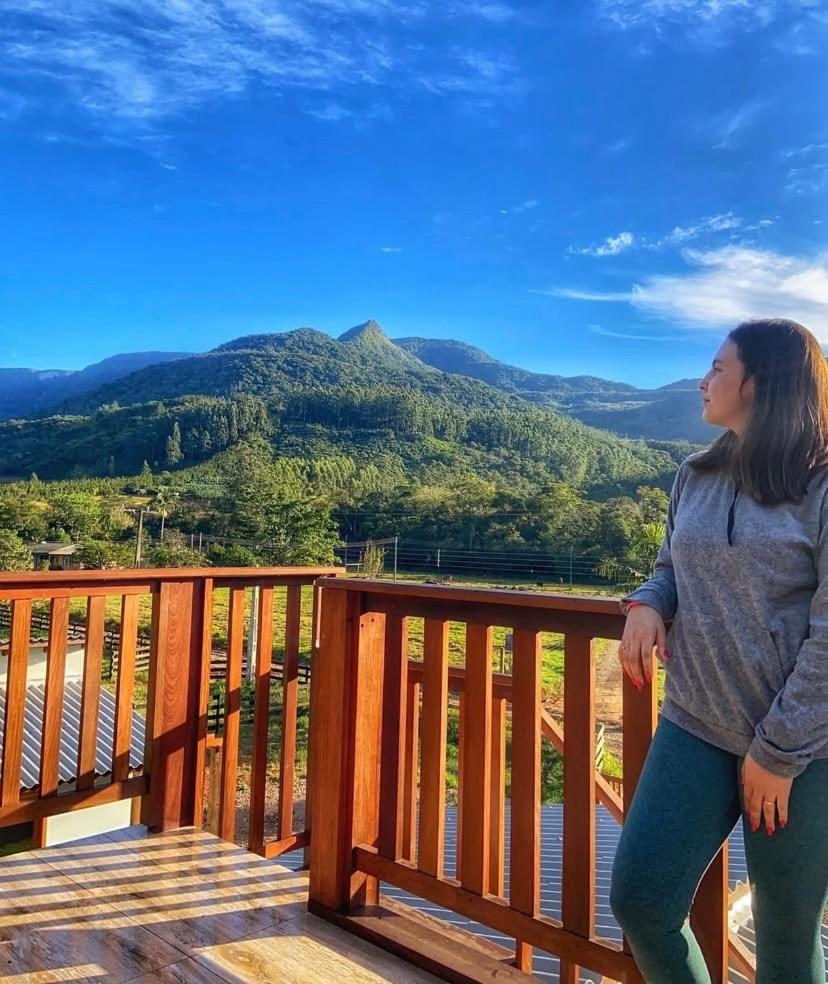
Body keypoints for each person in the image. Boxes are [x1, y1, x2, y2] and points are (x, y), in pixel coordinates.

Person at [609, 319, 828, 984]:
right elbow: (670, 566)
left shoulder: (822, 486)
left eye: (716, 368)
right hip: (695, 723)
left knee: (785, 943)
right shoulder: (695, 474)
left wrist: (779, 752)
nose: (702, 382)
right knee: (641, 900)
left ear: (757, 385)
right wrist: (648, 602)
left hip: (800, 750)